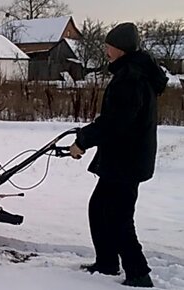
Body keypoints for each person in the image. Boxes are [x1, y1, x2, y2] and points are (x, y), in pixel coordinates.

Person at [69, 22, 168, 287]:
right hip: (125, 158)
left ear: (120, 48)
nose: (105, 50)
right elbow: (118, 120)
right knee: (100, 208)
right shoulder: (134, 72)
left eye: (108, 45)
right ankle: (107, 263)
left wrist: (84, 141)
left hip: (126, 160)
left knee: (117, 216)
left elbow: (116, 121)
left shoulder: (131, 77)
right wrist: (88, 134)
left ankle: (138, 273)